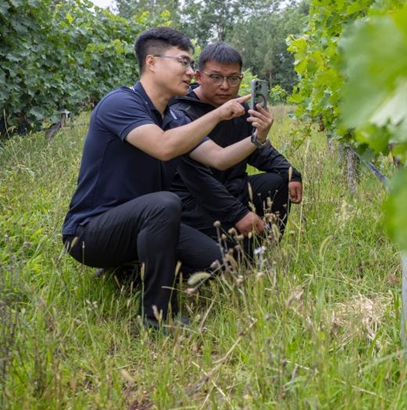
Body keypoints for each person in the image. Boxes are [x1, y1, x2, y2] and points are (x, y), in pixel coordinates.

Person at [62, 27, 273, 332]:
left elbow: (219, 158)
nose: (191, 72)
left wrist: (258, 138)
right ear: (152, 62)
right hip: (90, 233)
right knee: (164, 203)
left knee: (219, 263)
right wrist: (217, 115)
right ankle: (158, 318)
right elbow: (163, 147)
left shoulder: (172, 117)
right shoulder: (120, 104)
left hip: (142, 227)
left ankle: (128, 270)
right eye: (184, 62)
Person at [170, 42, 302, 255]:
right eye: (215, 77)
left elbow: (259, 150)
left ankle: (266, 251)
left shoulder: (239, 109)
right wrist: (238, 213)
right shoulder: (180, 114)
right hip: (194, 201)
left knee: (279, 182)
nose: (225, 86)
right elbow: (199, 181)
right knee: (232, 258)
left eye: (233, 79)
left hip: (231, 189)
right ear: (198, 77)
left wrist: (292, 173)